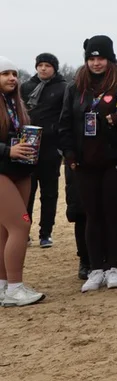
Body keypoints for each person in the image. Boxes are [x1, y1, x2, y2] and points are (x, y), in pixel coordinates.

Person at [58, 36, 117, 292]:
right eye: (91, 58)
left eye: (100, 58)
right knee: (92, 215)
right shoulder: (75, 87)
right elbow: (66, 123)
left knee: (113, 214)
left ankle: (113, 266)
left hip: (115, 159)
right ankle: (95, 268)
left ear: (109, 58)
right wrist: (70, 155)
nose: (96, 63)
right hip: (84, 162)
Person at [0, 56, 46, 306]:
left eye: (14, 73)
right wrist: (8, 151)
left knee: (5, 231)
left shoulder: (15, 103)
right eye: (5, 73)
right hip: (3, 171)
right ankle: (16, 288)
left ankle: (4, 286)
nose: (11, 78)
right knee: (21, 225)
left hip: (21, 170)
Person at [20, 53, 66, 247]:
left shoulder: (63, 88)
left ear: (54, 68)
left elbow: (65, 115)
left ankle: (45, 233)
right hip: (28, 147)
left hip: (50, 148)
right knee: (26, 193)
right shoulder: (26, 87)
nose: (43, 69)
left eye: (47, 65)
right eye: (40, 65)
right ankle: (24, 231)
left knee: (49, 194)